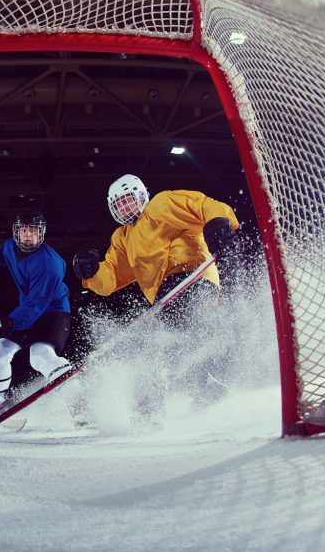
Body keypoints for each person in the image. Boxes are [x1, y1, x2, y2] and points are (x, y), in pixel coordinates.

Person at [71, 174, 242, 413]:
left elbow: (203, 204)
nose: (124, 208)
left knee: (160, 342)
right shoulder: (122, 237)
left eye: (128, 200)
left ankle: (150, 407)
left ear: (141, 196)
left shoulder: (162, 203)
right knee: (175, 343)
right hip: (167, 295)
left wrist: (218, 223)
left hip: (192, 275)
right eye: (118, 204)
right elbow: (111, 278)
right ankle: (205, 387)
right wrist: (91, 272)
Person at [0, 211, 73, 414]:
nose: (28, 235)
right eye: (24, 230)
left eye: (33, 231)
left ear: (41, 233)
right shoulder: (11, 246)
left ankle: (77, 397)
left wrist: (3, 323)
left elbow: (35, 305)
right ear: (16, 233)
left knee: (39, 354)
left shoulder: (49, 265)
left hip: (53, 314)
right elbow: (1, 253)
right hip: (26, 314)